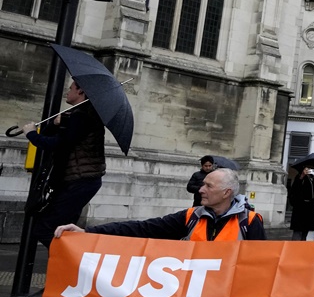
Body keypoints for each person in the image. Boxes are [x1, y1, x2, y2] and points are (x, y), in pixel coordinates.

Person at [54, 168, 265, 241]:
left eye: (208, 186)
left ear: (226, 192)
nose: (201, 189)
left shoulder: (250, 222)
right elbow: (142, 228)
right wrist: (87, 232)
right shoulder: (191, 216)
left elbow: (261, 269)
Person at [22, 79, 107, 248]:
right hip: (78, 181)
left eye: (70, 88)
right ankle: (71, 265)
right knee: (64, 229)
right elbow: (57, 138)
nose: (67, 92)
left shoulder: (82, 117)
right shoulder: (80, 115)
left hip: (80, 182)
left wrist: (32, 135)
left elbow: (59, 144)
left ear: (81, 91)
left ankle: (72, 263)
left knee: (45, 228)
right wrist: (53, 124)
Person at [287, 167, 314, 240]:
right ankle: (294, 247)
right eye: (307, 168)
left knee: (306, 232)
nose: (308, 170)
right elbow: (295, 189)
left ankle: (302, 246)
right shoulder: (299, 177)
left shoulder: (313, 178)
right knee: (298, 231)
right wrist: (301, 176)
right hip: (300, 208)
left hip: (309, 209)